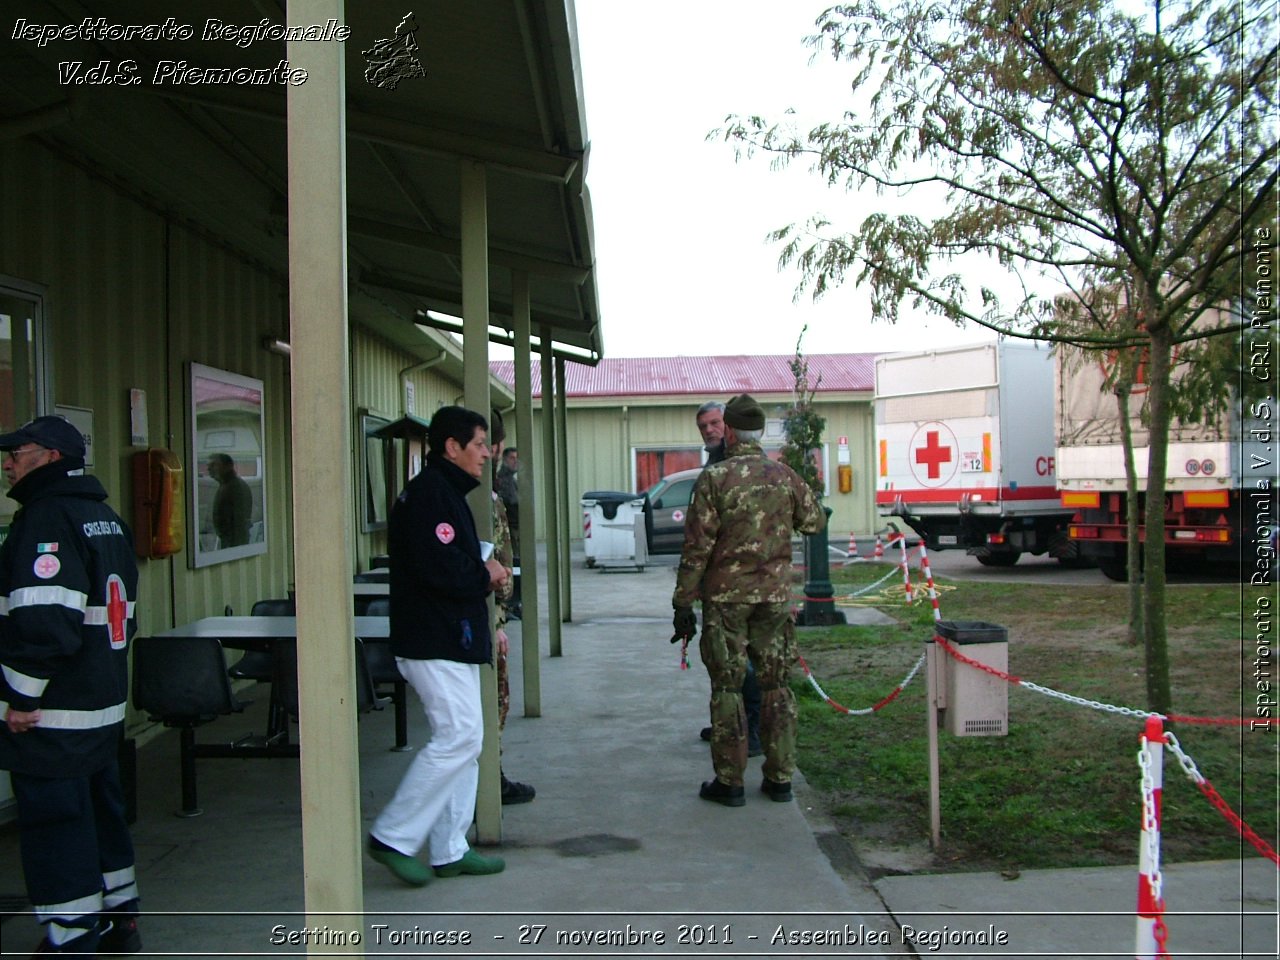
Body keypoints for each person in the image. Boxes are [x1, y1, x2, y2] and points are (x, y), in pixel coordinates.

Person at [0, 416, 142, 956]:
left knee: (56, 828)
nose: (9, 463)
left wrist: (20, 697)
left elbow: (45, 625)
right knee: (100, 814)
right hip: (100, 707)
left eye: (19, 452)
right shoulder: (104, 517)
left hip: (53, 716)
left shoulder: (45, 519)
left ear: (52, 457)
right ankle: (120, 920)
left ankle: (72, 936)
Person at [368, 406, 510, 886]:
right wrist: (485, 573)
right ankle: (393, 836)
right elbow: (440, 567)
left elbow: (448, 558)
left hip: (454, 636)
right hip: (433, 638)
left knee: (467, 741)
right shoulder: (430, 496)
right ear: (451, 447)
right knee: (459, 736)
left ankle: (450, 848)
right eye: (479, 445)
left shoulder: (445, 492)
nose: (487, 454)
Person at [672, 394, 826, 807]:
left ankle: (730, 782)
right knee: (776, 684)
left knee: (728, 687)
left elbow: (696, 548)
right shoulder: (785, 475)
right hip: (775, 598)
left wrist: (683, 603)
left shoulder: (715, 478)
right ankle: (779, 779)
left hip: (726, 601)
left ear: (732, 430)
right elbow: (815, 521)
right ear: (760, 432)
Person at [693, 400, 763, 757]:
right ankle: (728, 724)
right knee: (720, 658)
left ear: (730, 425)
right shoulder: (714, 464)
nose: (710, 430)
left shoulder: (745, 465)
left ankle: (751, 730)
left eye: (715, 423)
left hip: (746, 583)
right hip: (719, 581)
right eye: (703, 426)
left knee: (744, 662)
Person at [488, 411, 534, 805]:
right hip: (480, 623)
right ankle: (489, 783)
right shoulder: (479, 496)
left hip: (483, 619)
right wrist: (496, 620)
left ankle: (489, 778)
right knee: (492, 703)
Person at [207, 453, 252, 547]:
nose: (209, 469)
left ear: (228, 466)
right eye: (208, 466)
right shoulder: (226, 485)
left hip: (234, 543)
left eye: (214, 465)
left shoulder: (235, 487)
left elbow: (238, 523)